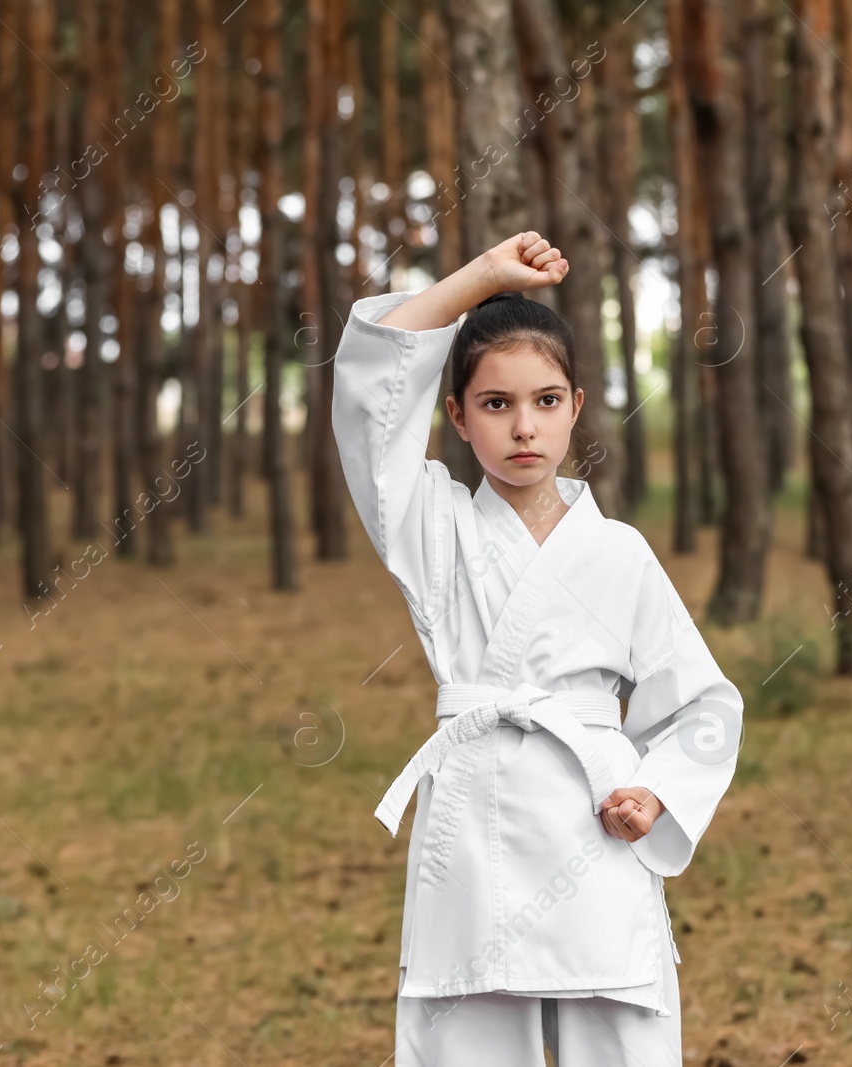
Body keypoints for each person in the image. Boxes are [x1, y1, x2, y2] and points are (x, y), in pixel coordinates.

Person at [331, 231, 744, 1066]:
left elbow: (703, 702)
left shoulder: (620, 551)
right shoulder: (432, 525)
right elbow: (373, 394)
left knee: (619, 1032)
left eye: (547, 401)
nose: (525, 427)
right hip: (474, 826)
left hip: (596, 826)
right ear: (454, 415)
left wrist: (656, 791)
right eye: (495, 404)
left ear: (577, 407)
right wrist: (482, 276)